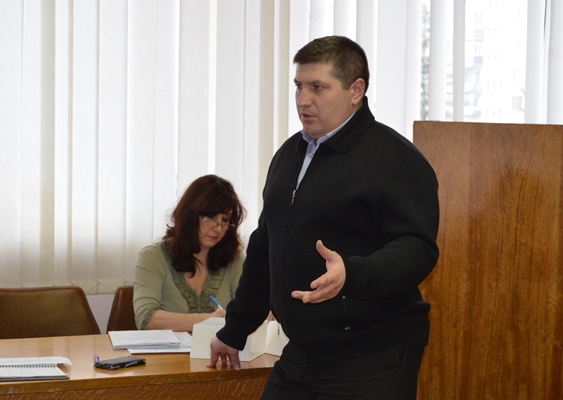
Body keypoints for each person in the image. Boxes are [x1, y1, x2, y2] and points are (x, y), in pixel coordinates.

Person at [208, 35, 440, 399]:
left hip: (372, 353)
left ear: (356, 90)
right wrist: (235, 330)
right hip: (301, 352)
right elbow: (266, 248)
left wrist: (352, 273)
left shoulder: (396, 160)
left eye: (318, 87)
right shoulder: (289, 155)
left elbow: (417, 248)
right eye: (298, 86)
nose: (303, 100)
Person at [133, 174, 246, 332]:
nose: (218, 227)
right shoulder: (153, 257)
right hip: (167, 349)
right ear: (190, 215)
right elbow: (146, 319)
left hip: (219, 348)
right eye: (211, 217)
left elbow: (247, 312)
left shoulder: (235, 260)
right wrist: (208, 320)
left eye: (225, 220)